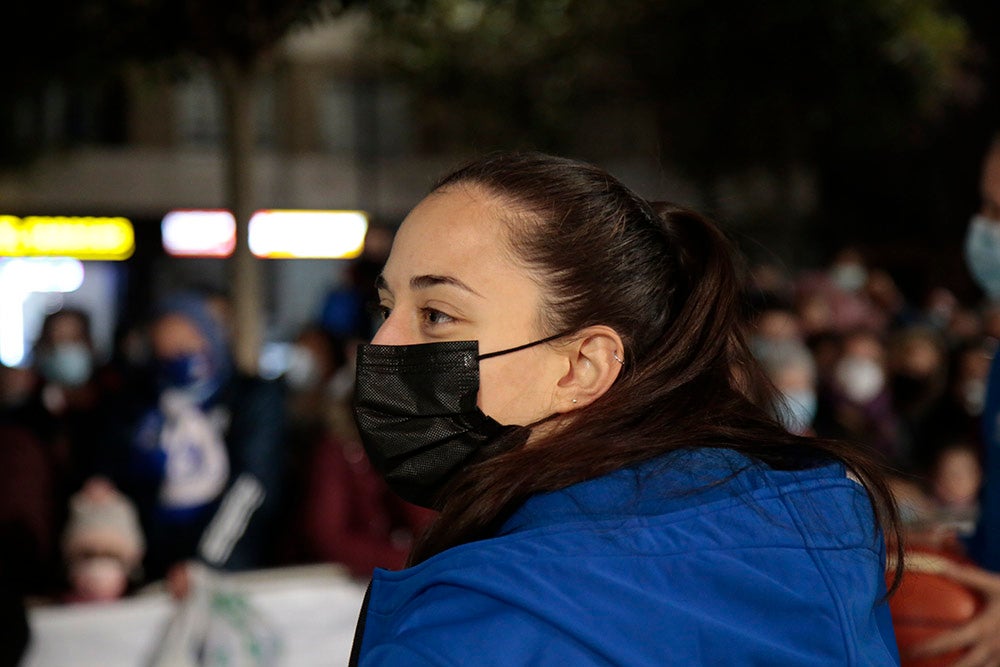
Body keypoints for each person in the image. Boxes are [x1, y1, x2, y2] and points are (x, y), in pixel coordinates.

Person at [347, 152, 900, 665]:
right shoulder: (819, 539)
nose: (383, 344)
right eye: (386, 307)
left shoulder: (474, 629)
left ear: (583, 366)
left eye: (437, 314)